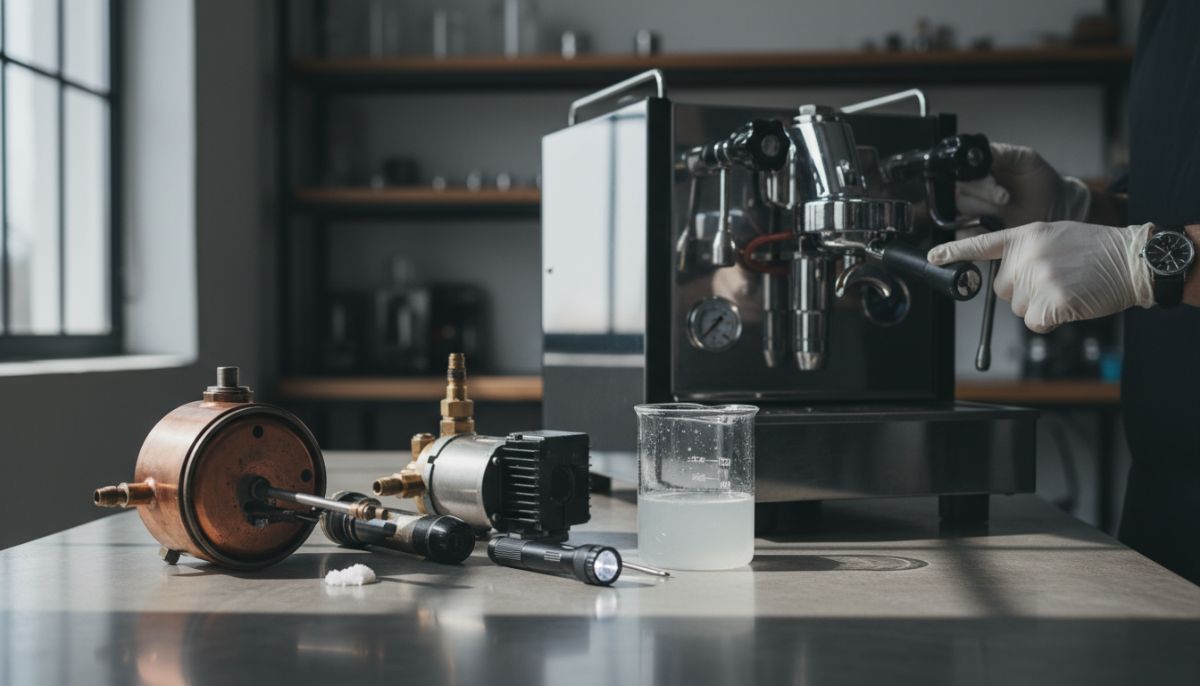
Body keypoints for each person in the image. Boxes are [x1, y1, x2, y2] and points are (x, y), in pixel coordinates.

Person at [929, 1, 1200, 584]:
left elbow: (1165, 248)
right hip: (1165, 498)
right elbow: (1171, 204)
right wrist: (1084, 211)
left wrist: (1153, 262)